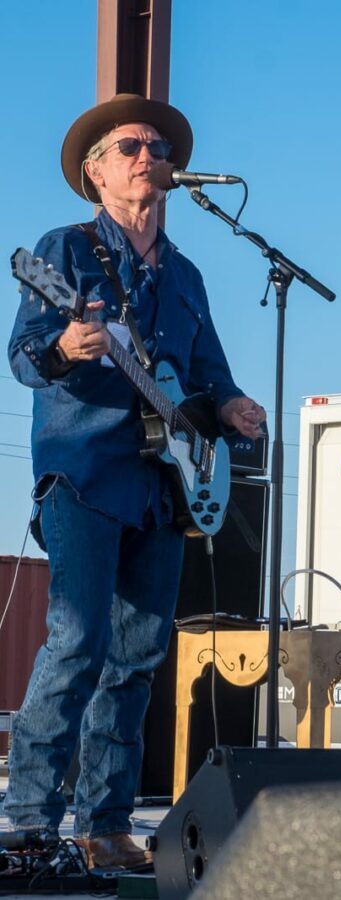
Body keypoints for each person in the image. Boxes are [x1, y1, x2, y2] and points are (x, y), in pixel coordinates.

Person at [4, 93, 266, 869]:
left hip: (164, 486)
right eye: (130, 146)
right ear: (96, 174)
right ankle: (26, 821)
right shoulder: (64, 251)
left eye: (156, 144)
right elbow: (24, 355)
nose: (148, 153)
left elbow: (209, 374)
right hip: (85, 472)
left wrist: (234, 406)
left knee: (138, 659)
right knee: (77, 642)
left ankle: (105, 824)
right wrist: (68, 346)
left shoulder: (185, 275)